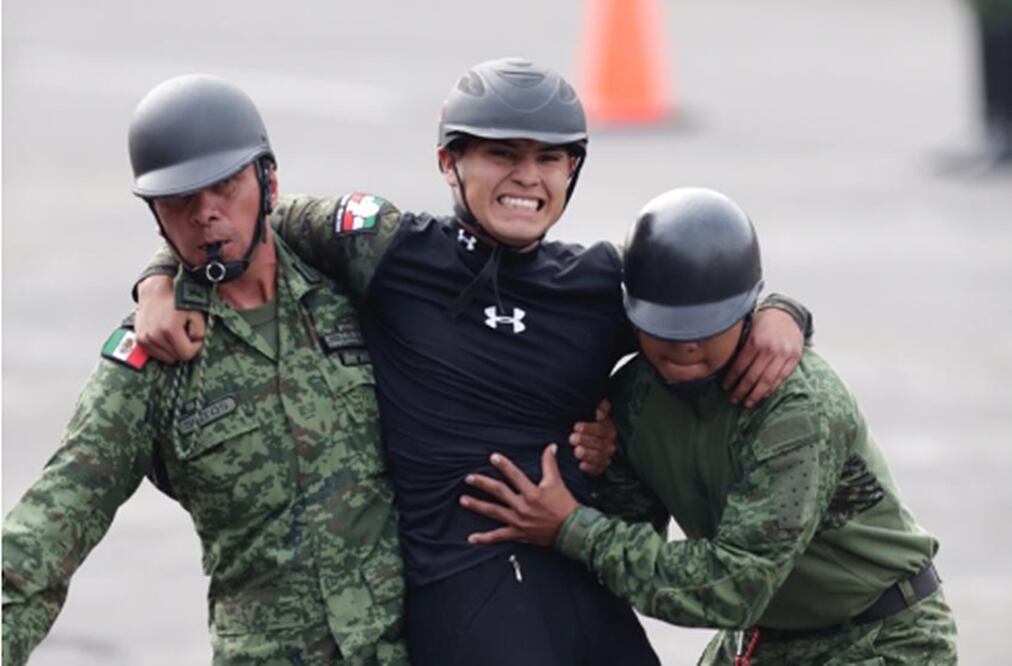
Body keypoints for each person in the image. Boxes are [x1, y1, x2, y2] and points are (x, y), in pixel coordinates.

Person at [134, 59, 811, 665]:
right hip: (466, 604)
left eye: (550, 159)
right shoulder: (387, 250)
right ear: (447, 162)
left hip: (580, 588)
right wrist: (158, 280)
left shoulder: (601, 286)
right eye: (501, 154)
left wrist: (783, 312)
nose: (527, 177)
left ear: (572, 170)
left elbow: (704, 301)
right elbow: (243, 220)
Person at [2, 75, 407, 666]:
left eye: (225, 186)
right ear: (156, 214)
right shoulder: (153, 360)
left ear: (268, 181)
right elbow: (50, 524)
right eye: (180, 201)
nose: (207, 214)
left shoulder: (350, 286)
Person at [459, 187, 959, 665]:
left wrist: (573, 527)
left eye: (704, 327)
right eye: (665, 327)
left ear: (747, 314)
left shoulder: (795, 409)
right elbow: (631, 536)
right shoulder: (636, 395)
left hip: (884, 637)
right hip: (768, 635)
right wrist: (596, 468)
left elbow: (729, 587)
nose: (683, 346)